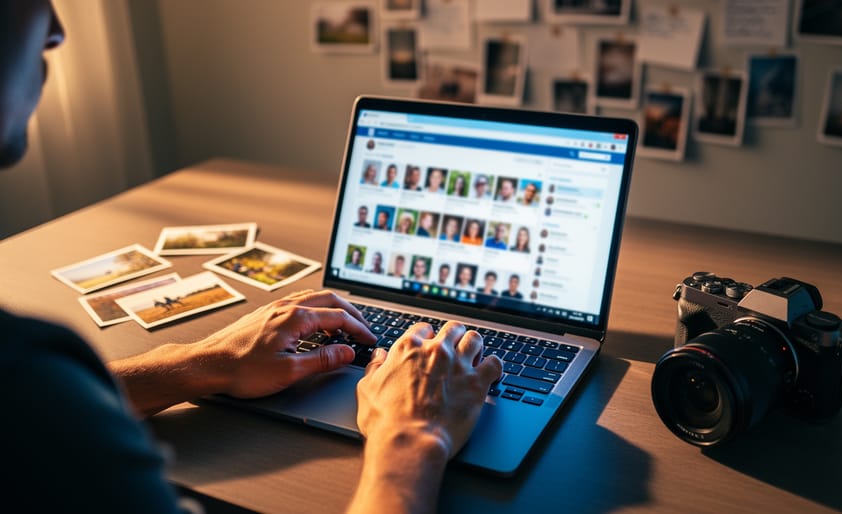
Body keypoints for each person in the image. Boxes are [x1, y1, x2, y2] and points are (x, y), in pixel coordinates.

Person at [0, 4, 502, 512]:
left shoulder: (33, 379)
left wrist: (197, 362)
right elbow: (39, 404)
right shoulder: (31, 376)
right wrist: (411, 437)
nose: (58, 31)